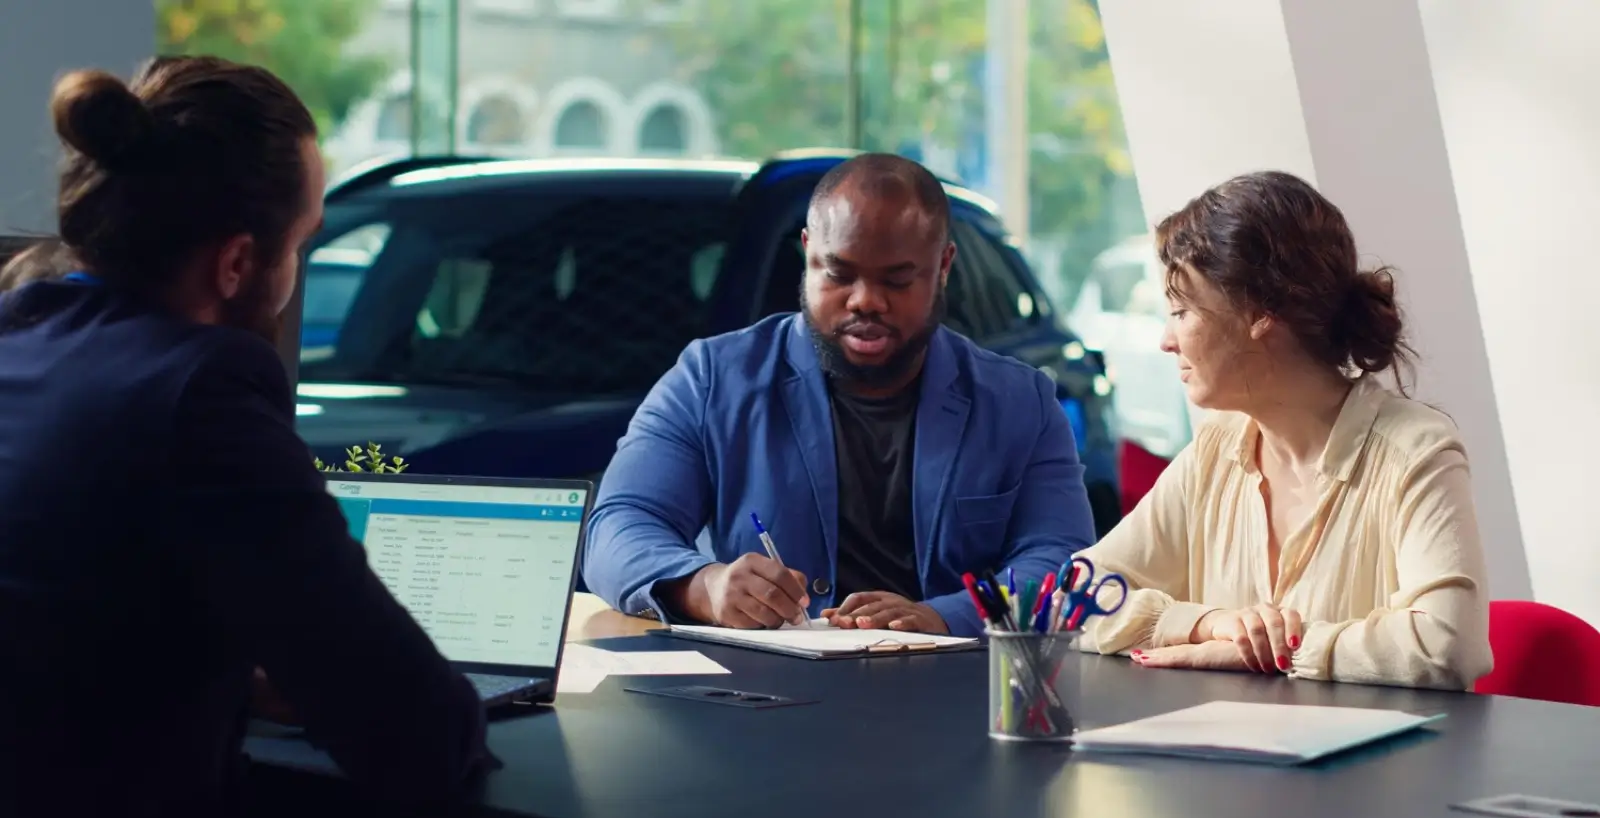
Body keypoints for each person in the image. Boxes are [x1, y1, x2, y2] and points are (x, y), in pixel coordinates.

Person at [0, 59, 490, 818]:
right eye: (302, 242)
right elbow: (413, 730)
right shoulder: (199, 391)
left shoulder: (16, 336)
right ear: (236, 264)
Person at [582, 153, 1096, 637]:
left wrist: (944, 616)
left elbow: (1061, 560)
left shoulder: (1020, 401)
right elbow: (618, 528)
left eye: (896, 280)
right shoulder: (713, 377)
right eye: (839, 274)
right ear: (808, 252)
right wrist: (703, 586)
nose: (865, 300)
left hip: (955, 697)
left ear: (943, 267)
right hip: (764, 701)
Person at [1073, 171, 1492, 690]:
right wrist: (1207, 625)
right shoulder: (1217, 446)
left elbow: (1448, 647)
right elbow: (1067, 596)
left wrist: (1277, 650)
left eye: (1182, 311)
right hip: (1228, 761)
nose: (1166, 340)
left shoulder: (1415, 451)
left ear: (1260, 312)